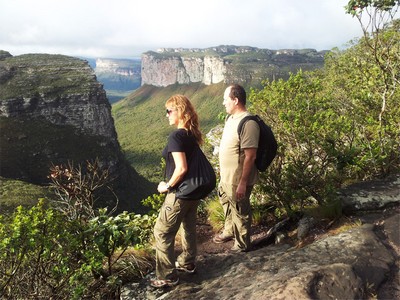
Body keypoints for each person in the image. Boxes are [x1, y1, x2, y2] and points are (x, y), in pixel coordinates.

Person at [150, 94, 203, 288]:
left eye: (169, 111)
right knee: (187, 226)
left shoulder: (176, 136)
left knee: (162, 231)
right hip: (193, 193)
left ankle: (167, 275)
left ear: (179, 112)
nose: (167, 115)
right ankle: (187, 262)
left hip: (180, 193)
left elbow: (181, 168)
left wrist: (167, 186)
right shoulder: (191, 133)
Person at [213, 84, 260, 252]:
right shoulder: (230, 119)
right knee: (227, 204)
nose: (223, 103)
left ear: (235, 100)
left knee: (240, 210)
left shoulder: (248, 123)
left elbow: (250, 156)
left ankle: (242, 245)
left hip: (238, 179)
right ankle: (229, 231)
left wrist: (243, 182)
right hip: (226, 177)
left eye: (226, 99)